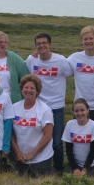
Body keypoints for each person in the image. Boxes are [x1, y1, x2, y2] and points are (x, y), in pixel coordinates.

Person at [25, 32, 72, 172]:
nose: (41, 45)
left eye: (44, 43)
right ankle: (40, 165)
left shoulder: (61, 61)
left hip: (56, 107)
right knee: (39, 139)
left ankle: (58, 168)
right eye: (38, 44)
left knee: (56, 142)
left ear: (50, 44)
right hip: (38, 106)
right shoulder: (31, 60)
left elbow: (70, 73)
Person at [11, 74, 54, 177]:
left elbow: (48, 136)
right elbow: (11, 133)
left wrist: (33, 154)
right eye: (26, 87)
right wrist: (18, 152)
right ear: (22, 89)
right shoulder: (14, 108)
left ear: (37, 91)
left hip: (40, 159)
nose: (28, 90)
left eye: (32, 88)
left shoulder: (45, 110)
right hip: (21, 159)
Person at [66, 26, 94, 123]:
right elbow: (56, 64)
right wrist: (37, 53)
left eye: (91, 38)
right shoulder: (74, 58)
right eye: (85, 39)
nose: (88, 41)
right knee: (79, 137)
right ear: (81, 41)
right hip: (80, 108)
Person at [62, 98, 94, 177]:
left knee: (87, 178)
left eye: (82, 110)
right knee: (66, 175)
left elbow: (93, 151)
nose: (79, 113)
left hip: (93, 164)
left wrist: (85, 169)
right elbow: (68, 149)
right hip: (77, 164)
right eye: (76, 111)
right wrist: (75, 168)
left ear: (88, 110)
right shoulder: (70, 124)